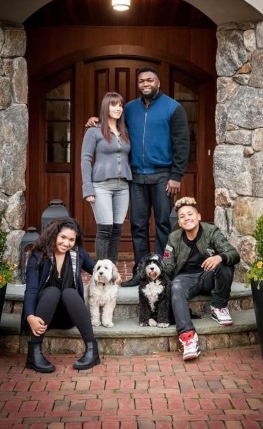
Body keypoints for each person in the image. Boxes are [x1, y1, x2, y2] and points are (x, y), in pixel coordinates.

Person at [86, 67, 190, 286]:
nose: (145, 84)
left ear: (158, 83)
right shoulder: (130, 109)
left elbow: (182, 144)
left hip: (163, 176)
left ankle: (162, 271)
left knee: (163, 224)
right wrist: (95, 120)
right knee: (138, 226)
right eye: (141, 81)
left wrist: (176, 175)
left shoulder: (174, 108)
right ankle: (141, 273)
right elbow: (111, 121)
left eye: (149, 80)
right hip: (135, 177)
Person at [163, 197, 240, 362]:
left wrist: (219, 257)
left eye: (190, 214)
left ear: (198, 216)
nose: (186, 218)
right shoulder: (174, 238)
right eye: (182, 216)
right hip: (186, 278)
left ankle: (218, 307)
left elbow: (234, 254)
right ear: (179, 222)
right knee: (176, 287)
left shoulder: (211, 231)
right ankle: (188, 337)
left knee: (225, 264)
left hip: (209, 276)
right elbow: (168, 268)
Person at [21, 217, 101, 373]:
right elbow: (31, 289)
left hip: (67, 316)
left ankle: (92, 350)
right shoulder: (38, 256)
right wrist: (30, 317)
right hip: (42, 317)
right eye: (63, 237)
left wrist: (114, 276)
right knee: (52, 291)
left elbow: (97, 269)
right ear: (54, 234)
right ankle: (34, 353)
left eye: (71, 239)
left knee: (69, 292)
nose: (67, 243)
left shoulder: (78, 254)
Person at [81, 92, 132, 264]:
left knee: (117, 230)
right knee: (105, 228)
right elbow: (86, 159)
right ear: (106, 107)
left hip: (123, 186)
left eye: (120, 105)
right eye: (113, 105)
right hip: (101, 186)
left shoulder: (125, 131)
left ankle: (112, 269)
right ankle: (100, 270)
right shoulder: (94, 131)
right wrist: (87, 188)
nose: (118, 108)